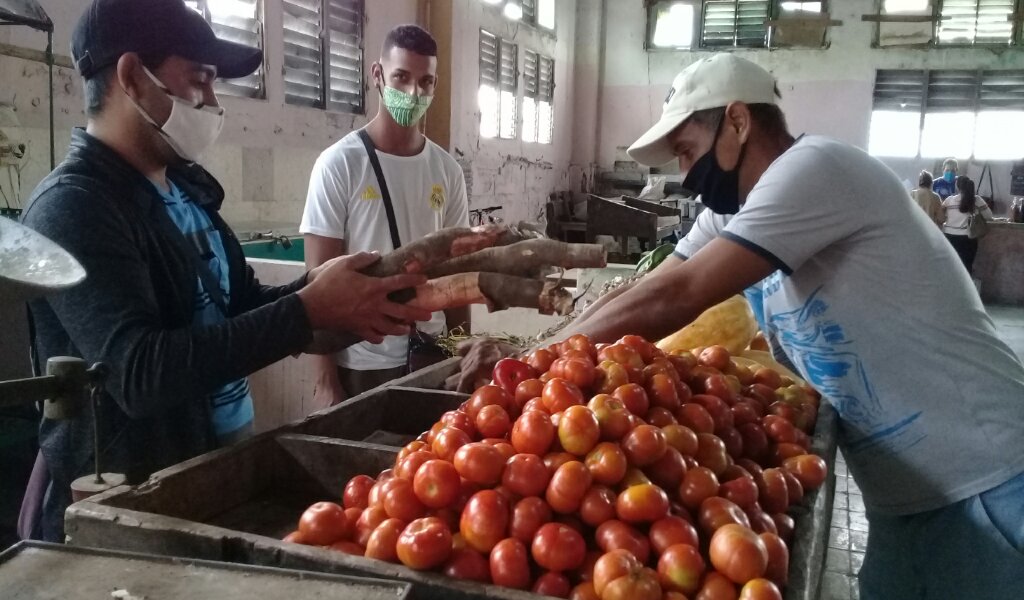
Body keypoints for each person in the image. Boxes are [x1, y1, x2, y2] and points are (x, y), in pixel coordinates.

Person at [455, 55, 1024, 598]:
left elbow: (678, 296)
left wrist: (528, 366)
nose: (685, 173)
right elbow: (644, 287)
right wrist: (533, 354)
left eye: (687, 150)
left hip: (989, 476)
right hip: (905, 496)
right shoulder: (733, 211)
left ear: (738, 119)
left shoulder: (815, 167)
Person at [19, 0, 430, 543]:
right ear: (130, 77)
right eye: (201, 80)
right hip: (131, 507)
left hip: (214, 474)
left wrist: (339, 304)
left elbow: (240, 307)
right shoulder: (73, 208)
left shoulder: (186, 192)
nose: (213, 103)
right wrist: (306, 308)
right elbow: (140, 373)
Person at [301, 25, 469, 407]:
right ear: (377, 75)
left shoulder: (447, 171)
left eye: (425, 82)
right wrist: (326, 379)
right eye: (401, 77)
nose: (413, 93)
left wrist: (460, 350)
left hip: (431, 355)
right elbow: (315, 283)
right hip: (362, 362)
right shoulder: (339, 164)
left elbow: (459, 272)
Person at [942, 175, 993, 273]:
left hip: (949, 237)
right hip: (967, 239)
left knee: (950, 268)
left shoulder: (948, 200)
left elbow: (941, 216)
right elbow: (989, 216)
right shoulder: (977, 200)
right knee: (966, 268)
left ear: (957, 186)